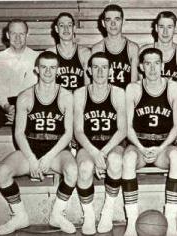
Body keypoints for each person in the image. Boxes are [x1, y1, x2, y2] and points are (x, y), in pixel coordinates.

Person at [0, 51, 77, 235]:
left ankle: (57, 214)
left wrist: (48, 158)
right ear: (36, 70)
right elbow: (18, 133)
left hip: (56, 150)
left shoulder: (66, 96)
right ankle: (19, 216)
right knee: (1, 172)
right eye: (43, 67)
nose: (48, 72)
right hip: (30, 149)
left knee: (72, 171)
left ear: (58, 70)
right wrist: (33, 159)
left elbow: (68, 133)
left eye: (52, 68)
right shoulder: (25, 96)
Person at [122, 48, 177, 236]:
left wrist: (160, 148)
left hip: (163, 148)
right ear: (141, 67)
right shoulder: (133, 88)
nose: (153, 68)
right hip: (139, 145)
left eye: (157, 63)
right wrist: (141, 147)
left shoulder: (173, 88)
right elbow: (128, 127)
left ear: (163, 65)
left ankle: (171, 220)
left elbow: (176, 127)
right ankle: (131, 222)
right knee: (128, 158)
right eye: (148, 63)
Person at [73, 52, 126, 235]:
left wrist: (102, 152)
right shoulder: (80, 93)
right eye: (96, 67)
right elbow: (78, 131)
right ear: (89, 70)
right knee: (85, 167)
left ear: (110, 71)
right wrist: (94, 153)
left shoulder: (119, 92)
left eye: (104, 67)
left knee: (116, 161)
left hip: (112, 143)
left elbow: (122, 130)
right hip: (88, 144)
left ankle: (107, 211)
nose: (100, 71)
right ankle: (88, 215)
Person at [0, 19, 39, 124]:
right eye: (13, 33)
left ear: (27, 35)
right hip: (4, 106)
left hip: (30, 107)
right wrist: (7, 107)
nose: (17, 38)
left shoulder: (37, 58)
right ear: (7, 35)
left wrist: (22, 110)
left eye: (21, 34)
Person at [92, 4, 139, 89]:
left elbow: (133, 86)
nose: (113, 23)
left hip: (125, 99)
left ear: (123, 22)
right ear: (103, 23)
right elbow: (95, 85)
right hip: (105, 99)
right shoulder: (97, 48)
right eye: (108, 20)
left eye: (117, 19)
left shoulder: (132, 48)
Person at [139, 11, 177, 87]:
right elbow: (140, 86)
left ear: (175, 29)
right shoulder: (143, 51)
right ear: (156, 28)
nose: (165, 32)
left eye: (169, 27)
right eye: (161, 27)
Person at [47, 12, 91, 92]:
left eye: (69, 25)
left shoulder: (84, 53)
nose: (66, 29)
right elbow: (47, 87)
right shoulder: (50, 53)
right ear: (56, 29)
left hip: (78, 101)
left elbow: (88, 87)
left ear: (74, 28)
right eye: (62, 25)